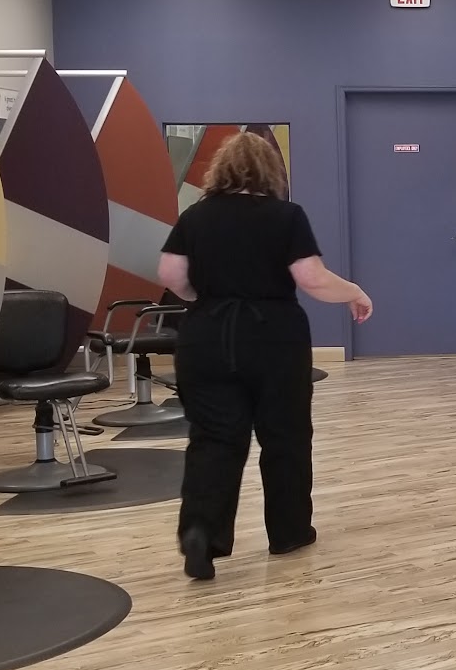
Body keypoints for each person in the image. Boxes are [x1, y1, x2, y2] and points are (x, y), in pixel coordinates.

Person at [157, 131, 372, 581]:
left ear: (220, 169)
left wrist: (208, 299)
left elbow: (171, 275)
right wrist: (354, 291)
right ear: (271, 172)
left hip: (206, 337)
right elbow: (311, 278)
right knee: (285, 436)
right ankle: (289, 532)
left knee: (213, 438)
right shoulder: (286, 216)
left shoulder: (195, 216)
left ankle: (201, 532)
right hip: (273, 337)